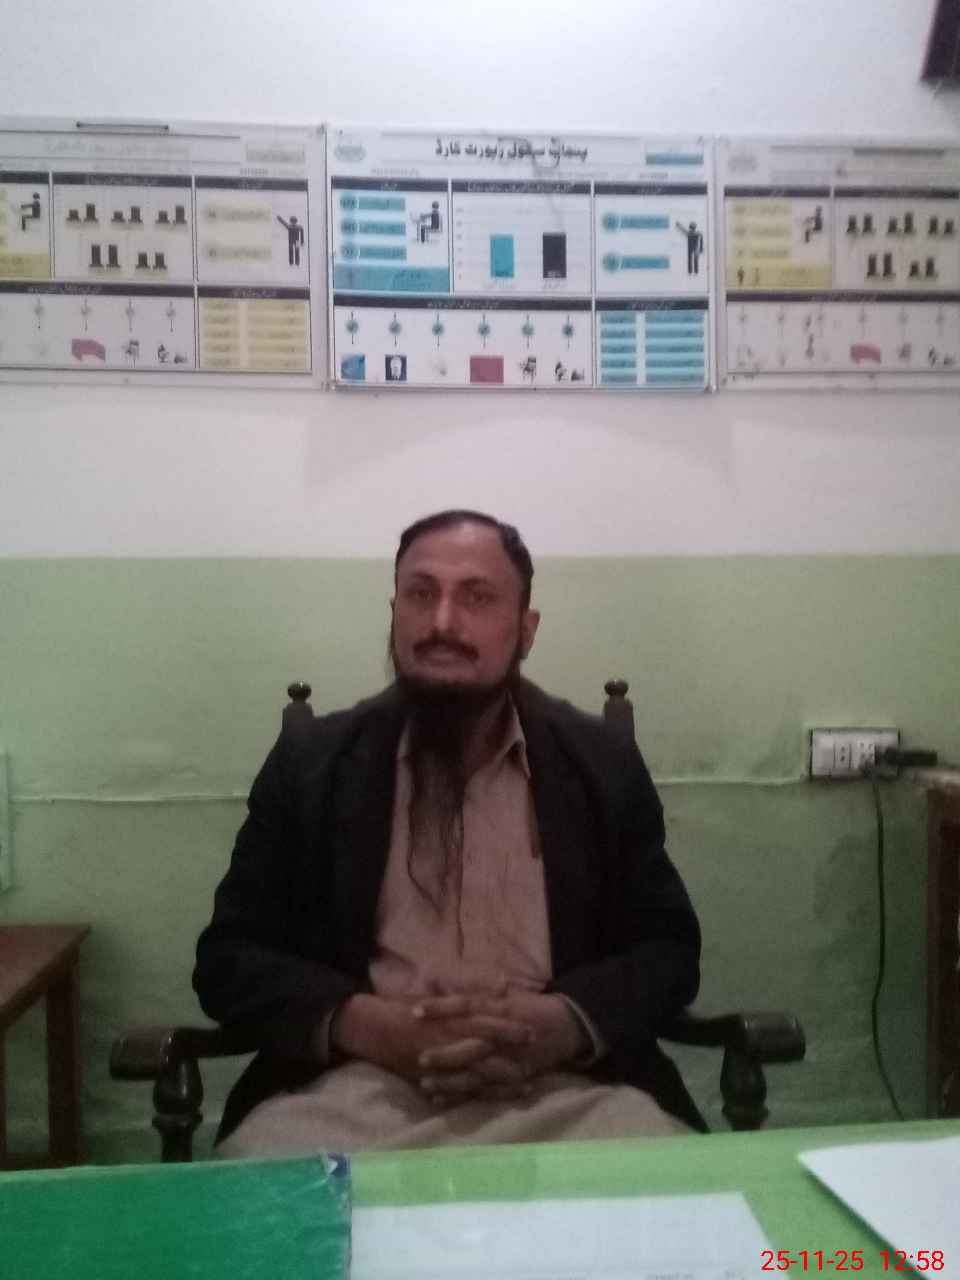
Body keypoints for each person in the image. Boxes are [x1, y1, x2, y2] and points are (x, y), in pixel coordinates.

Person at [194, 510, 704, 1155]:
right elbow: (229, 959)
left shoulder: (599, 764)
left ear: (526, 630)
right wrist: (366, 1025)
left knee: (675, 1188)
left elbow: (667, 951)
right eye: (420, 593)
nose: (442, 622)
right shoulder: (314, 765)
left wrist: (563, 1022)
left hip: (568, 1091)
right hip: (352, 1091)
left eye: (477, 597)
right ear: (394, 614)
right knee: (262, 1187)